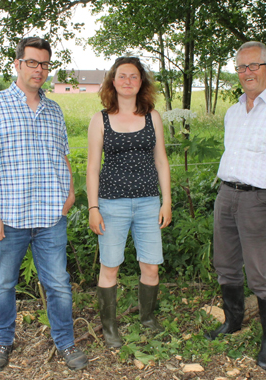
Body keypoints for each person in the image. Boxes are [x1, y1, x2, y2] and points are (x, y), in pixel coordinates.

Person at [0, 37, 88, 372]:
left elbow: (62, 154)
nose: (40, 70)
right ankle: (3, 341)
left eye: (45, 64)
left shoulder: (53, 109)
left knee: (59, 283)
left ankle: (65, 342)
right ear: (17, 64)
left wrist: (71, 191)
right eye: (32, 62)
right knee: (4, 283)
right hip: (9, 216)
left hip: (51, 214)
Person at [204, 41, 266, 371]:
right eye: (242, 68)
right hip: (227, 196)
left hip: (261, 201)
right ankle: (233, 321)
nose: (247, 73)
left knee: (261, 274)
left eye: (254, 66)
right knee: (225, 264)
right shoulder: (233, 112)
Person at [86, 57, 172, 348]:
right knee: (109, 267)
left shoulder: (153, 117)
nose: (127, 81)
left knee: (151, 267)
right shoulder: (101, 119)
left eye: (133, 76)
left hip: (149, 204)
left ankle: (147, 318)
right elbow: (92, 168)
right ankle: (110, 328)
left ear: (141, 82)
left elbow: (161, 161)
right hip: (111, 205)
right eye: (121, 76)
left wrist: (166, 201)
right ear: (112, 81)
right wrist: (93, 207)